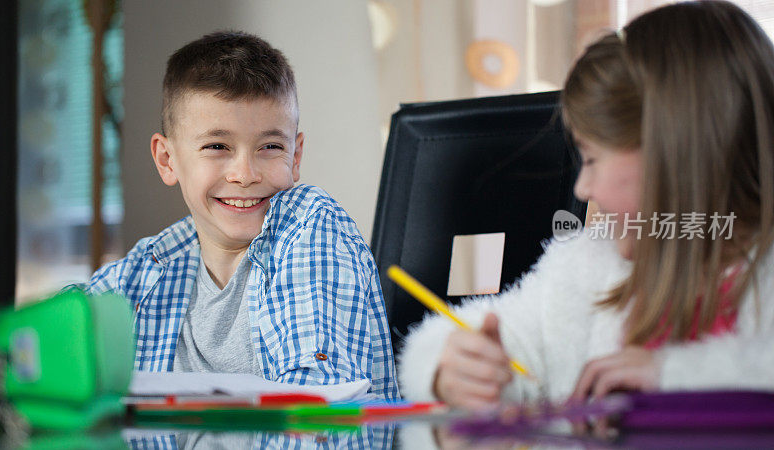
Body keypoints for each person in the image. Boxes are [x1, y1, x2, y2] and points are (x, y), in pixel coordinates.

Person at [399, 0, 774, 410]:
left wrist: (670, 374)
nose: (581, 189)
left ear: (676, 156)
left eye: (592, 159)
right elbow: (507, 337)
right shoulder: (584, 266)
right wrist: (451, 369)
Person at [81, 31, 398, 400]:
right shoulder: (151, 266)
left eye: (270, 147)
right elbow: (44, 335)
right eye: (217, 146)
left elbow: (312, 418)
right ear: (167, 160)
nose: (245, 174)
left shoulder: (308, 228)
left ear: (295, 157)